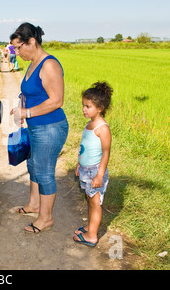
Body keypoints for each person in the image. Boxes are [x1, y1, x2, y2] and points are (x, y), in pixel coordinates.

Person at [10, 22, 69, 233]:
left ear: (32, 42)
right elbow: (28, 93)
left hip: (51, 127)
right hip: (36, 127)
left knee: (44, 172)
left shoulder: (49, 65)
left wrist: (27, 113)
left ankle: (46, 218)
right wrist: (20, 108)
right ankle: (34, 205)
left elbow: (57, 100)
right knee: (33, 166)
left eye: (19, 47)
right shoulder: (33, 63)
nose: (16, 52)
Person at [74, 82, 113, 247]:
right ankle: (91, 227)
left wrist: (99, 175)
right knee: (90, 200)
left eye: (88, 106)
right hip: (85, 169)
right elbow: (86, 148)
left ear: (100, 108)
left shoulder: (102, 129)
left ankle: (91, 236)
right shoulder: (89, 124)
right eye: (83, 105)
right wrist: (79, 163)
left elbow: (105, 154)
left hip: (95, 172)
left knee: (95, 202)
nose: (84, 109)